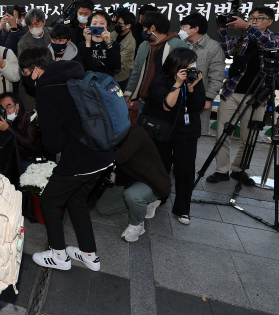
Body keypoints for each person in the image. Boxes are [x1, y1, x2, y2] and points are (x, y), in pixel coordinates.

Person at [19, 46, 115, 272]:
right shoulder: (75, 76)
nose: (25, 78)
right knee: (76, 200)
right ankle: (89, 255)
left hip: (80, 159)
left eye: (25, 72)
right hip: (105, 153)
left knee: (49, 201)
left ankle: (59, 255)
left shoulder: (47, 91)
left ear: (36, 69)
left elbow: (54, 144)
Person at [206, 6, 279, 185]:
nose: (253, 21)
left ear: (270, 21)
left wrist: (246, 26)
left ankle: (239, 169)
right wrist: (223, 29)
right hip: (232, 92)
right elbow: (229, 50)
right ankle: (221, 170)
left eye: (259, 18)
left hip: (257, 97)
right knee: (223, 133)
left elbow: (268, 45)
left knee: (249, 137)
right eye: (251, 18)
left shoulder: (274, 37)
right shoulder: (244, 36)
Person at [144, 48, 205, 225]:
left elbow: (198, 105)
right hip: (164, 131)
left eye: (193, 63)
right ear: (178, 64)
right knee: (160, 167)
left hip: (187, 131)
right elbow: (166, 106)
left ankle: (183, 209)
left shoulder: (195, 78)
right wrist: (178, 84)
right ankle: (157, 199)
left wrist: (192, 88)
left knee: (185, 171)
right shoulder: (161, 79)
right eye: (189, 63)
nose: (192, 67)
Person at [95, 124, 172, 242]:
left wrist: (98, 145)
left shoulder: (136, 132)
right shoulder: (112, 134)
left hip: (153, 182)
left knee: (133, 195)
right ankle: (144, 203)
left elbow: (120, 157)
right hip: (131, 180)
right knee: (103, 208)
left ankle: (137, 225)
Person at [125, 12, 189, 115]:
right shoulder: (144, 46)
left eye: (144, 28)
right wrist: (129, 93)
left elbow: (183, 74)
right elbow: (136, 71)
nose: (143, 31)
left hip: (164, 101)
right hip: (143, 100)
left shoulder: (177, 46)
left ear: (152, 28)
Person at [179, 13, 226, 136]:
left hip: (199, 98)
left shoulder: (213, 47)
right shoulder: (180, 44)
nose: (181, 30)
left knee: (194, 134)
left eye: (184, 27)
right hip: (178, 96)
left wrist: (209, 98)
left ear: (195, 29)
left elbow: (217, 75)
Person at [0, 92, 42, 172]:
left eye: (9, 107)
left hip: (28, 160)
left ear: (17, 106)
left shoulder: (29, 116)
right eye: (2, 108)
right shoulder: (0, 118)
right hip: (9, 159)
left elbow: (28, 143)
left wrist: (8, 128)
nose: (6, 111)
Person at [17, 8, 52, 111]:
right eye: (30, 25)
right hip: (30, 87)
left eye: (37, 24)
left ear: (44, 21)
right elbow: (22, 67)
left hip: (50, 82)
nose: (33, 28)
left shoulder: (52, 34)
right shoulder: (22, 42)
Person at [78, 10, 121, 76]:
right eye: (94, 24)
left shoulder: (114, 44)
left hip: (107, 82)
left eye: (102, 23)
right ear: (89, 26)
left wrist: (108, 44)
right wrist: (88, 43)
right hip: (88, 83)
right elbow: (85, 68)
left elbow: (116, 66)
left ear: (107, 26)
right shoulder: (82, 45)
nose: (98, 26)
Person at [111, 12, 137, 90]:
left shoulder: (131, 43)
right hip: (109, 73)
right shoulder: (114, 33)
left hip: (119, 77)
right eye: (116, 23)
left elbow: (118, 62)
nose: (116, 25)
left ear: (128, 25)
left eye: (119, 23)